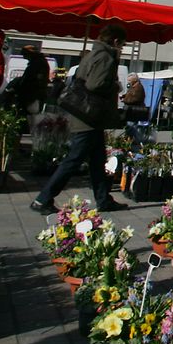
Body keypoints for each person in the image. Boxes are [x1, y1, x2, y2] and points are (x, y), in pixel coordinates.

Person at [31, 24, 129, 214]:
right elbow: (95, 85)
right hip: (88, 116)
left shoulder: (92, 54)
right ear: (116, 41)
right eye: (122, 44)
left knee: (97, 161)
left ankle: (103, 199)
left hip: (87, 115)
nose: (121, 48)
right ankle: (43, 199)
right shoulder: (105, 57)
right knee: (73, 160)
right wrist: (115, 86)